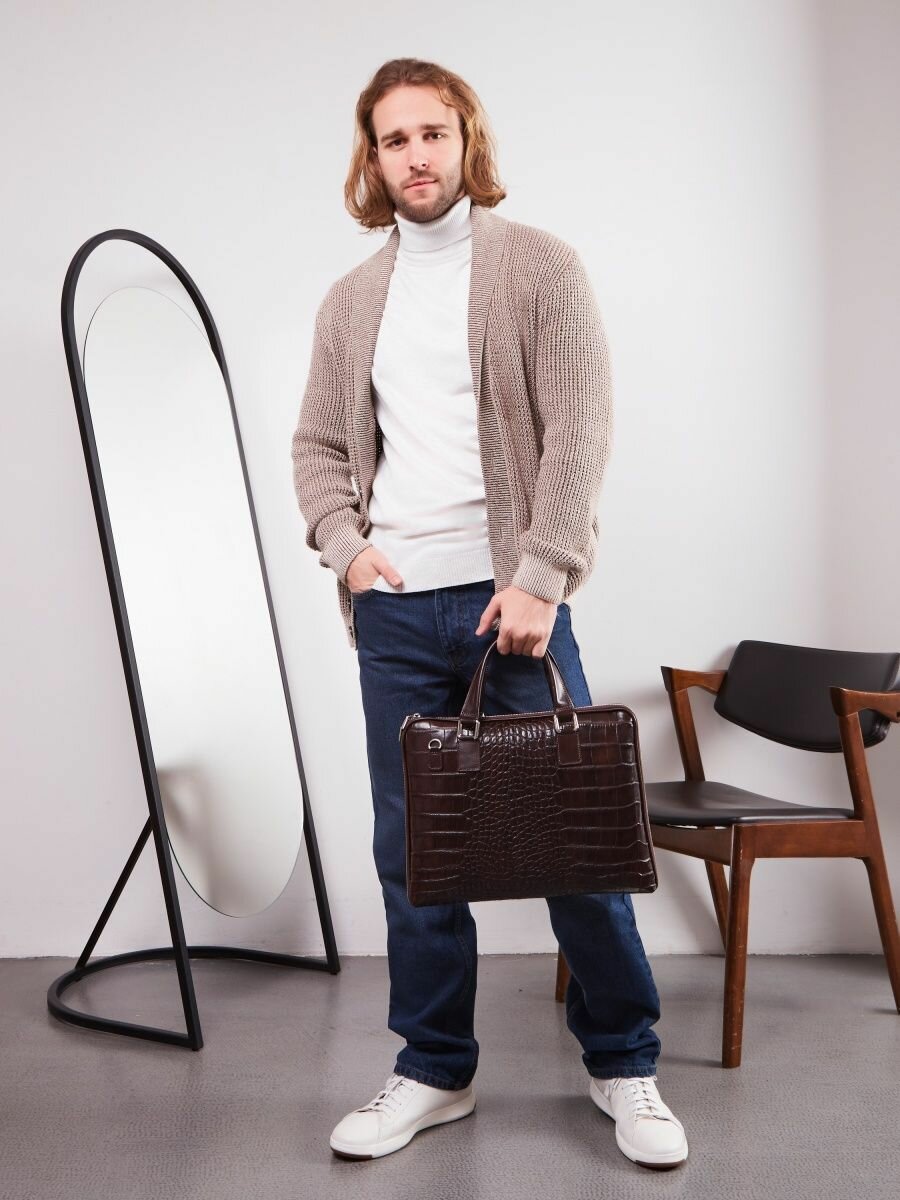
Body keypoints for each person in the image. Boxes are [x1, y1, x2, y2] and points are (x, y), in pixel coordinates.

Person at [291, 56, 688, 1170]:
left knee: (576, 842)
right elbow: (317, 446)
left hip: (512, 604)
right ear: (373, 159)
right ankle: (434, 1069)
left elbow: (580, 429)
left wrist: (542, 575)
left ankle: (625, 1062)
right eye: (394, 140)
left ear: (466, 140)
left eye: (433, 133)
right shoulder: (351, 301)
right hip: (396, 614)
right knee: (413, 854)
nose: (415, 156)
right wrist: (349, 552)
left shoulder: (538, 267)